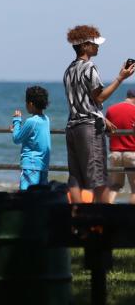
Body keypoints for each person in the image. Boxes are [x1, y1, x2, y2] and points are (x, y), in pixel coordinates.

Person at [62, 25, 135, 203]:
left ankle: (76, 218)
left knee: (75, 177)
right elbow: (99, 96)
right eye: (95, 44)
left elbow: (83, 102)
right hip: (89, 129)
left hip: (72, 127)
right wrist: (120, 78)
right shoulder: (89, 67)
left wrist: (101, 116)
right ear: (85, 46)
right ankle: (100, 220)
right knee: (98, 176)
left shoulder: (69, 70)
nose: (98, 47)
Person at [12, 86, 51, 190]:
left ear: (30, 104)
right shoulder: (46, 119)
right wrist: (18, 129)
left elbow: (16, 138)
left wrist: (17, 121)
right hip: (43, 165)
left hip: (30, 165)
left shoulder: (31, 121)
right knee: (41, 197)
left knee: (26, 197)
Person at [106, 89, 135, 204]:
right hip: (132, 153)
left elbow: (107, 131)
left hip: (115, 153)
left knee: (114, 186)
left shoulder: (111, 109)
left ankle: (106, 214)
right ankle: (131, 218)